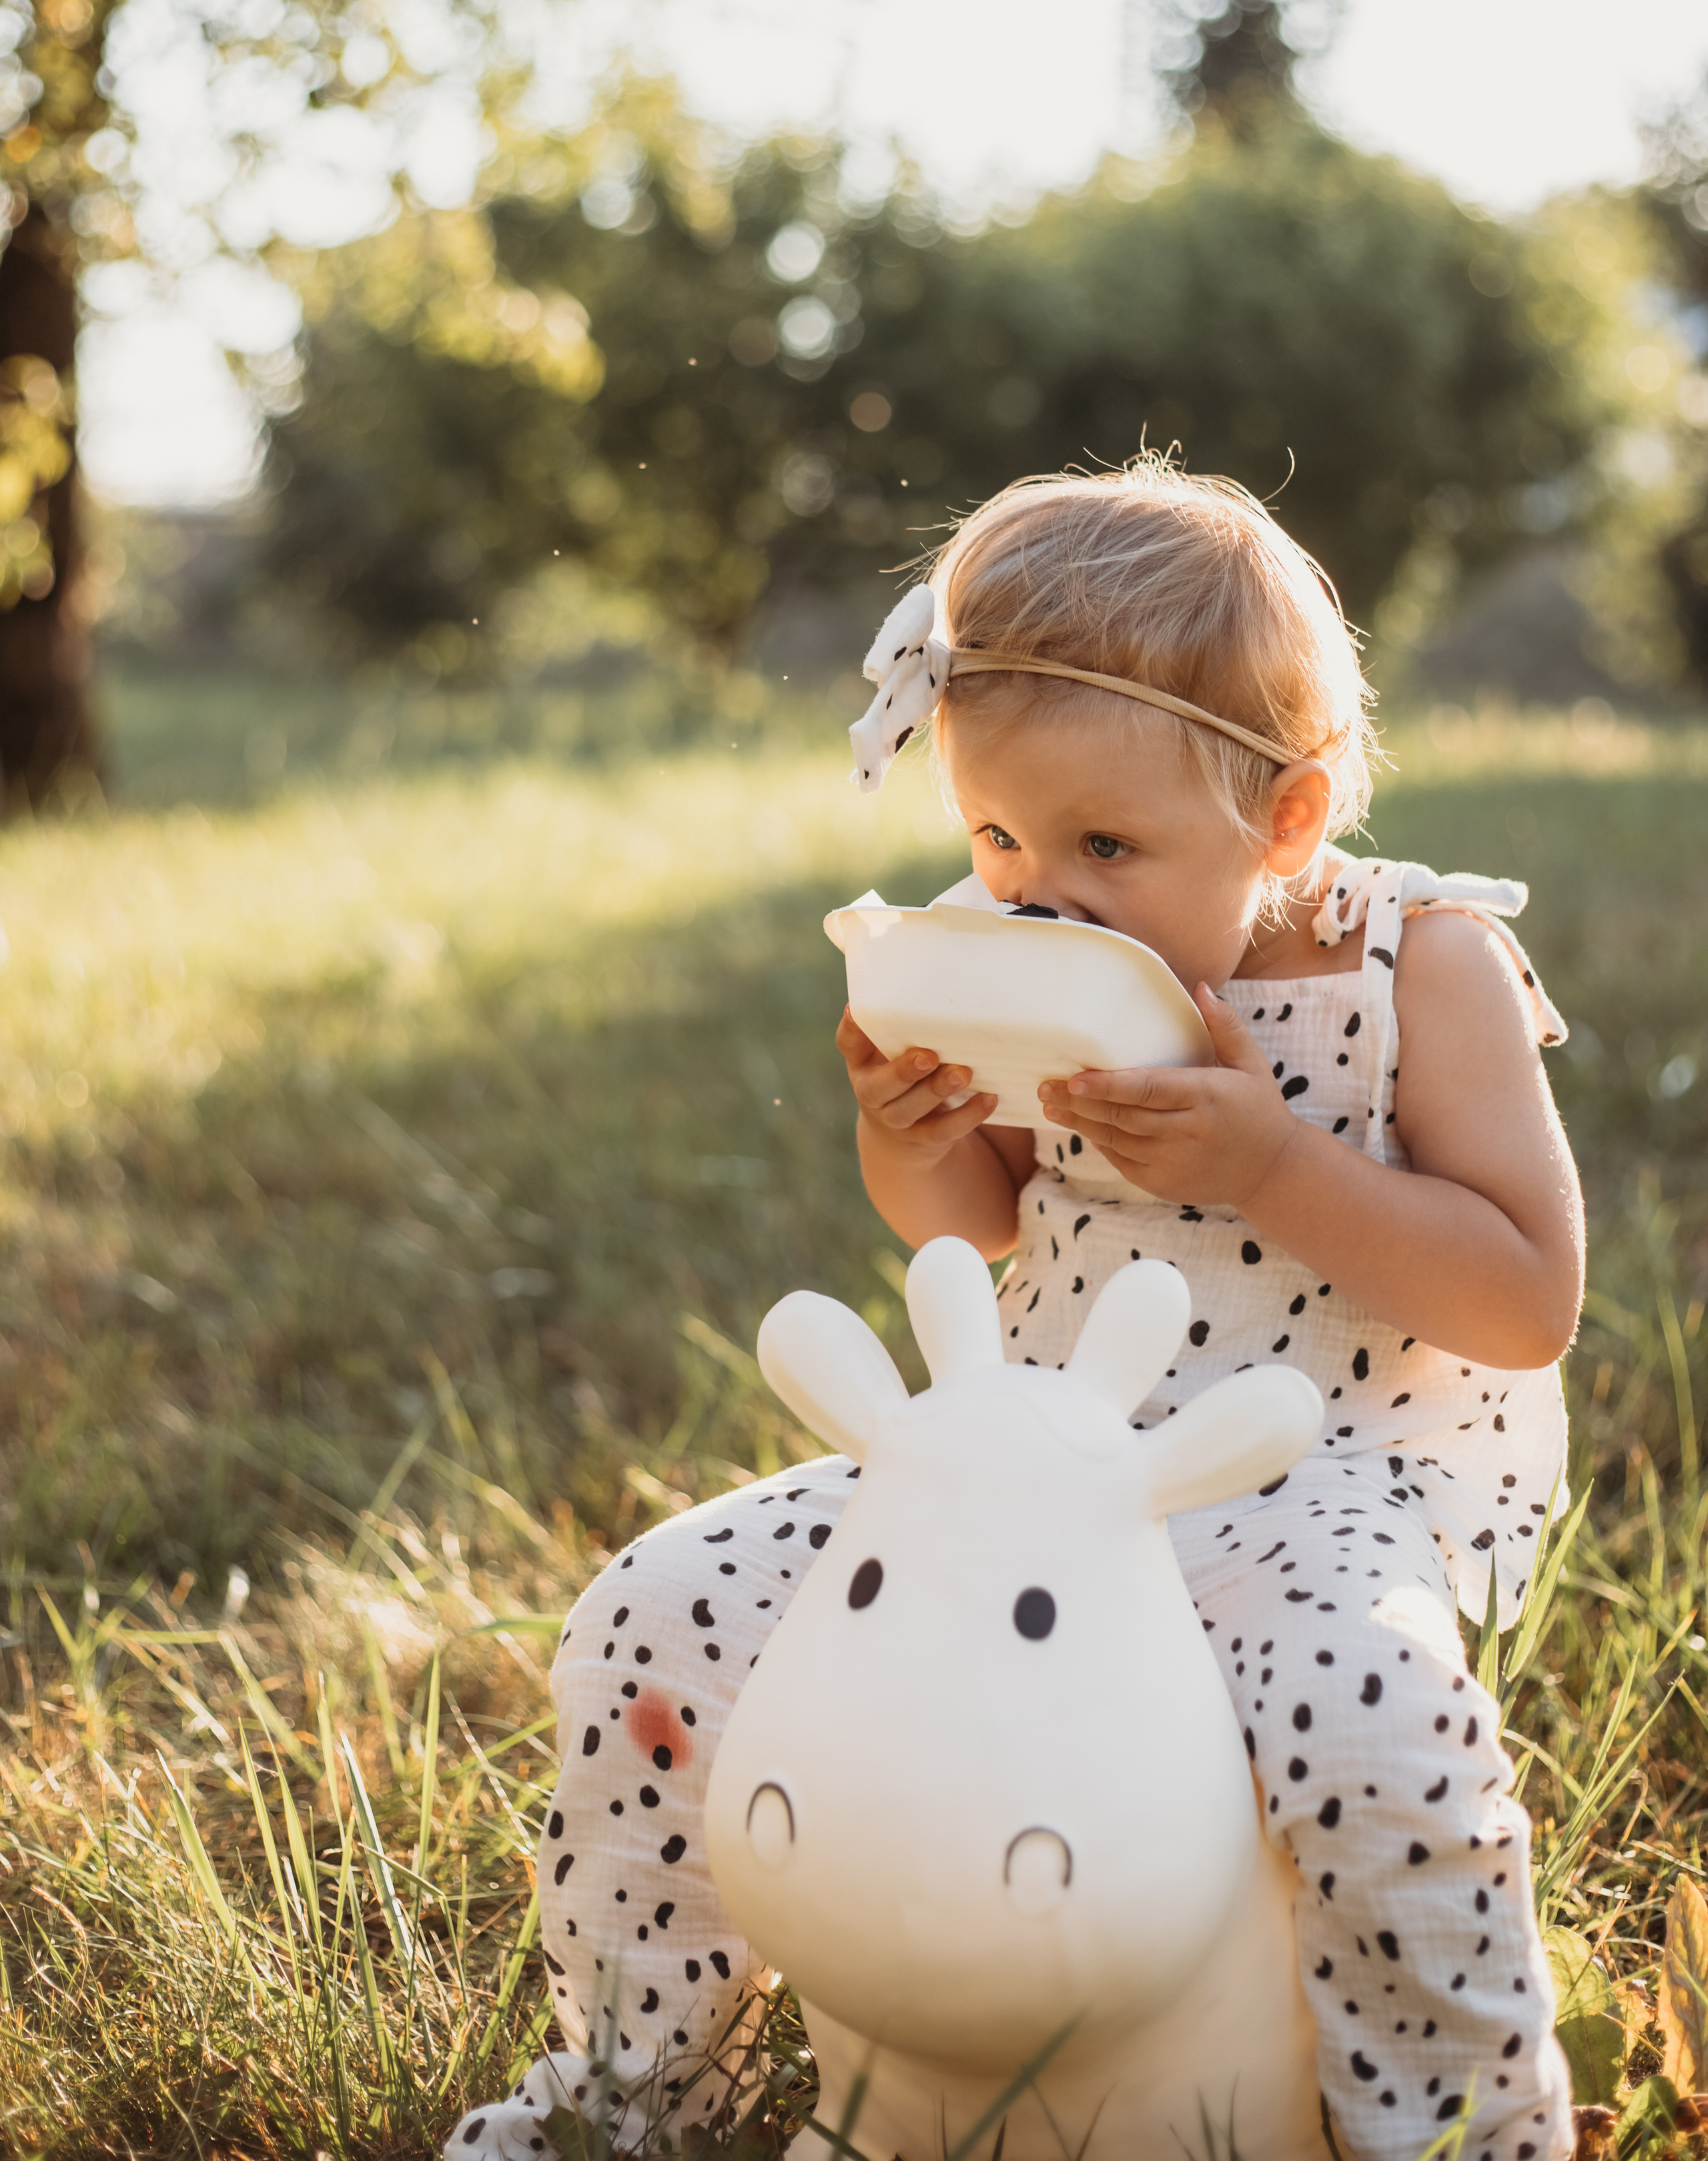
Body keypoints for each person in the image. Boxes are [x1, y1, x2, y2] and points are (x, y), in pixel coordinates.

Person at [448, 460, 1581, 2161]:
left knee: (1379, 1723)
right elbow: (977, 1225)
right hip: (1022, 1457)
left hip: (1314, 1487)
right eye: (993, 833)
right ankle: (627, 2093)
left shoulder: (1413, 963)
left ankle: (1453, 2128)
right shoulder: (1015, 941)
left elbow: (1523, 1301)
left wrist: (1271, 1163)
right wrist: (904, 1141)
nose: (1030, 888)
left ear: (1285, 815)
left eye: (1100, 844)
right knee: (653, 1614)